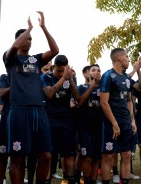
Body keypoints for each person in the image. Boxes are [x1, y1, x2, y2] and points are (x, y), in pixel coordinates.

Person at [3, 11, 59, 184]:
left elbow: (55, 50)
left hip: (39, 110)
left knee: (46, 155)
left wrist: (42, 27)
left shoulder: (36, 60)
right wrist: (28, 28)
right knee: (17, 158)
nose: (28, 40)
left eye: (30, 39)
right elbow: (13, 48)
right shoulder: (10, 59)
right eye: (25, 38)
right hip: (19, 110)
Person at [100, 48, 141, 184]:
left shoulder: (126, 78)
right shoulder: (108, 76)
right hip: (110, 123)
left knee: (126, 155)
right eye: (126, 56)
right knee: (108, 156)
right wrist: (114, 124)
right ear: (119, 58)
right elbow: (103, 103)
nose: (128, 59)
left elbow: (139, 90)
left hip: (125, 121)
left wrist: (132, 121)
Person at [40, 55, 79, 184]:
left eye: (63, 71)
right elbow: (49, 94)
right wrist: (63, 79)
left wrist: (71, 80)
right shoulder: (45, 77)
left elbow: (78, 98)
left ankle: (70, 180)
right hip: (50, 119)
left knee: (68, 155)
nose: (61, 73)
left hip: (67, 120)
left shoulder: (70, 78)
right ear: (53, 67)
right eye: (59, 71)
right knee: (49, 155)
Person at [77, 64, 102, 184]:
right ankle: (85, 180)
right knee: (87, 156)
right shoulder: (81, 87)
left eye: (98, 70)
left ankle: (93, 180)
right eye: (93, 70)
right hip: (85, 126)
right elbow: (79, 102)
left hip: (99, 126)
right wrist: (91, 87)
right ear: (88, 73)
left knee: (97, 157)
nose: (96, 72)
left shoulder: (104, 88)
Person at [0, 74, 10, 184]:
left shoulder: (28, 77)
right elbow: (1, 94)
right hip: (6, 121)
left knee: (19, 157)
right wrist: (15, 84)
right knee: (2, 157)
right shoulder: (5, 77)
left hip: (22, 120)